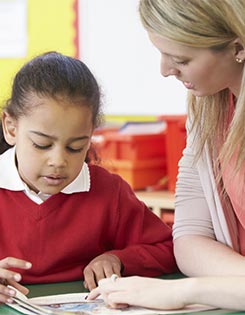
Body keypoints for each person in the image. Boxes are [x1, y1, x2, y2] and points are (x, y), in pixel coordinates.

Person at [88, 0, 245, 311]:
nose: (164, 70)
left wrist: (186, 291)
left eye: (180, 59)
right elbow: (188, 240)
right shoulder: (208, 112)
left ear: (238, 47)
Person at [0, 51, 177, 304]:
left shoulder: (108, 192)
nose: (58, 161)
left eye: (75, 147)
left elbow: (169, 249)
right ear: (11, 127)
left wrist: (118, 259)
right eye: (41, 144)